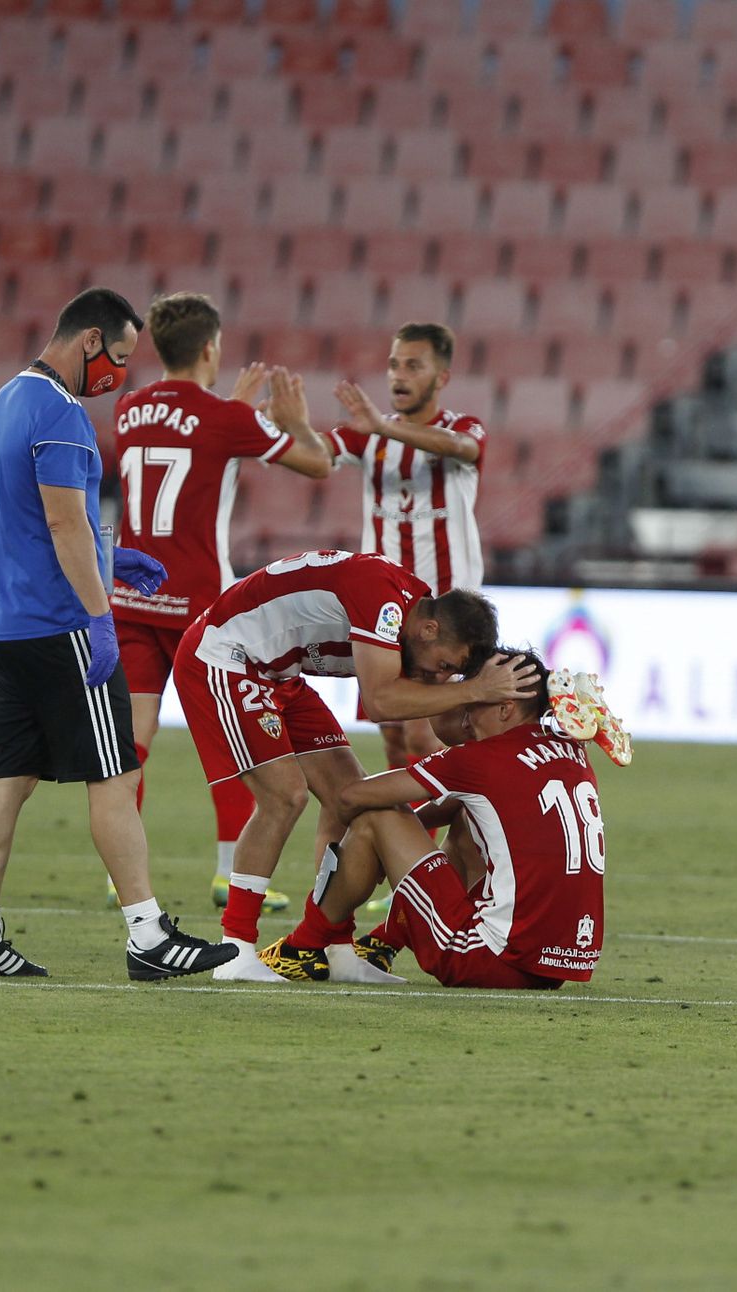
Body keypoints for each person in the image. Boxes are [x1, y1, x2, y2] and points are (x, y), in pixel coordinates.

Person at [0, 287, 235, 982]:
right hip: (62, 627)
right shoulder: (61, 413)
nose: (119, 373)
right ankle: (148, 935)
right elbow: (62, 522)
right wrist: (102, 613)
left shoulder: (4, 403)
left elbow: (30, 519)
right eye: (119, 356)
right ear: (89, 341)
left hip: (3, 625)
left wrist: (112, 554)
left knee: (6, 779)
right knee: (114, 775)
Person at [171, 548, 538, 981]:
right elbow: (381, 702)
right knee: (284, 797)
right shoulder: (383, 602)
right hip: (226, 655)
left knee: (350, 799)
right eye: (443, 665)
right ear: (430, 629)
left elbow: (432, 711)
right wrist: (475, 691)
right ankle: (236, 949)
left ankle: (336, 948)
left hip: (278, 674)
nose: (440, 677)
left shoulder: (411, 616)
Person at [105, 291, 334, 916]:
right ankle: (230, 874)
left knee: (132, 739)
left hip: (131, 600)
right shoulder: (225, 418)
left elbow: (189, 439)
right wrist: (292, 421)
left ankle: (121, 871)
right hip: (200, 610)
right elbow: (318, 465)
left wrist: (229, 408)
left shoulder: (128, 409)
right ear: (211, 348)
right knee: (230, 740)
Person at [259, 656, 631, 989]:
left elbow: (350, 796)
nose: (465, 715)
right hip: (561, 963)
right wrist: (392, 849)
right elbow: (465, 801)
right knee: (467, 817)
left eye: (475, 703)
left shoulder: (479, 760)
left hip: (488, 958)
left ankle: (304, 945)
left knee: (376, 816)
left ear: (505, 708)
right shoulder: (570, 745)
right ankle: (382, 942)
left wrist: (378, 842)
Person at [330, 322, 487, 773]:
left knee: (424, 733)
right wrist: (284, 427)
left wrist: (384, 427)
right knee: (395, 742)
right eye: (394, 365)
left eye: (414, 366)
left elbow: (463, 448)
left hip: (446, 613)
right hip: (384, 610)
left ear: (442, 377)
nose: (399, 375)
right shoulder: (368, 435)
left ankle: (468, 808)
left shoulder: (462, 427)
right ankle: (417, 821)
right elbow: (317, 454)